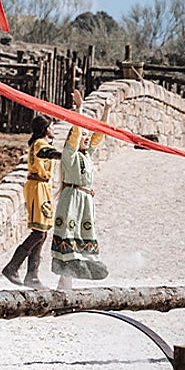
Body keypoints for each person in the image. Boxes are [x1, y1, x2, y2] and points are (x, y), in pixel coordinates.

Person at [51, 90, 111, 290]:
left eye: (87, 135)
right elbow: (76, 134)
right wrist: (79, 109)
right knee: (69, 233)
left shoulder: (87, 155)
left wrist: (107, 109)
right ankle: (66, 278)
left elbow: (99, 134)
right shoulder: (70, 154)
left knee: (83, 233)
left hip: (85, 200)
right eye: (83, 135)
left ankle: (78, 270)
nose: (86, 138)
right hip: (72, 200)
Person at [1, 114, 59, 289]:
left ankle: (32, 275)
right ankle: (12, 267)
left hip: (43, 187)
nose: (54, 129)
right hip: (37, 188)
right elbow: (48, 153)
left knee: (43, 233)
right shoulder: (40, 144)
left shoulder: (43, 143)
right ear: (46, 129)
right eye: (52, 126)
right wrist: (66, 155)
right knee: (38, 232)